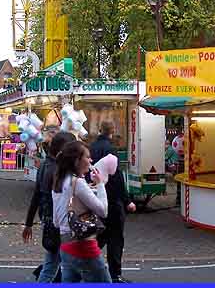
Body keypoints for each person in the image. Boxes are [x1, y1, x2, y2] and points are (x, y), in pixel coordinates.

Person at [52, 141, 111, 283]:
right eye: (87, 157)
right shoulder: (78, 183)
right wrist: (100, 185)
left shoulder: (58, 183)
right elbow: (103, 211)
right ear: (77, 160)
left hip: (65, 248)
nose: (91, 161)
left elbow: (56, 221)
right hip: (84, 247)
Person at [23, 132, 77, 282]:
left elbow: (36, 196)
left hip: (48, 219)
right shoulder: (57, 170)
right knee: (65, 265)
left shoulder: (45, 166)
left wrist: (28, 223)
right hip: (58, 223)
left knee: (52, 264)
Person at [90, 121, 136, 283]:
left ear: (100, 130)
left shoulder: (92, 147)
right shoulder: (111, 150)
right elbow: (116, 178)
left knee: (100, 235)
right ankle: (115, 274)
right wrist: (127, 200)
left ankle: (86, 264)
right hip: (112, 200)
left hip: (96, 198)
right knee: (115, 239)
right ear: (113, 131)